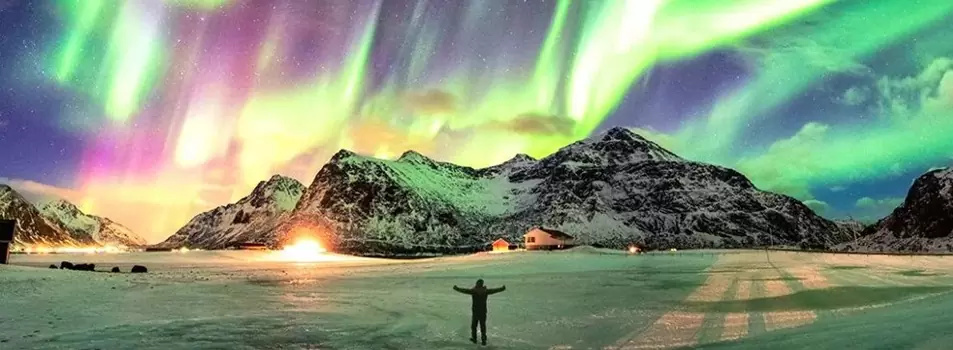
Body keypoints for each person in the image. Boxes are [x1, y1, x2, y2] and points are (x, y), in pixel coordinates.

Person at [453, 279, 506, 345]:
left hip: (476, 312)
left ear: (478, 283)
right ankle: (483, 341)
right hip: (483, 312)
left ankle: (474, 339)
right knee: (482, 326)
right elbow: (494, 290)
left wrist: (456, 288)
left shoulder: (474, 291)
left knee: (474, 326)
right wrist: (502, 288)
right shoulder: (485, 291)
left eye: (477, 283)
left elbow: (464, 290)